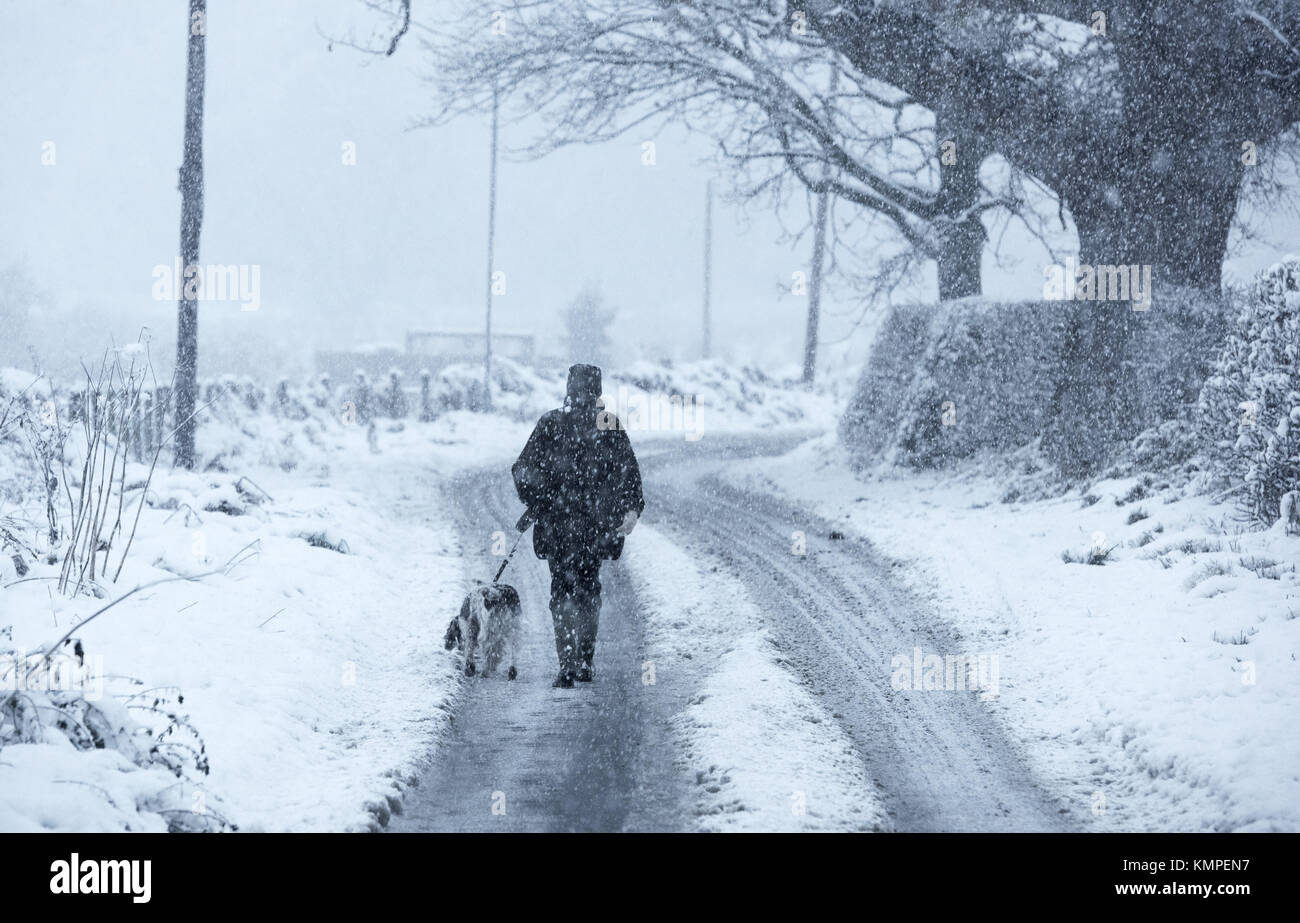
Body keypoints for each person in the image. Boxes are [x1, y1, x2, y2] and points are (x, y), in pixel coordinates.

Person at [511, 364, 644, 688]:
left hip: (558, 527)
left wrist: (540, 498)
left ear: (569, 388)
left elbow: (522, 470)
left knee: (563, 590)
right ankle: (583, 659)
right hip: (594, 529)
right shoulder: (608, 424)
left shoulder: (551, 422)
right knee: (588, 588)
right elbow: (628, 474)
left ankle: (568, 662)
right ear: (598, 390)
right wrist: (628, 509)